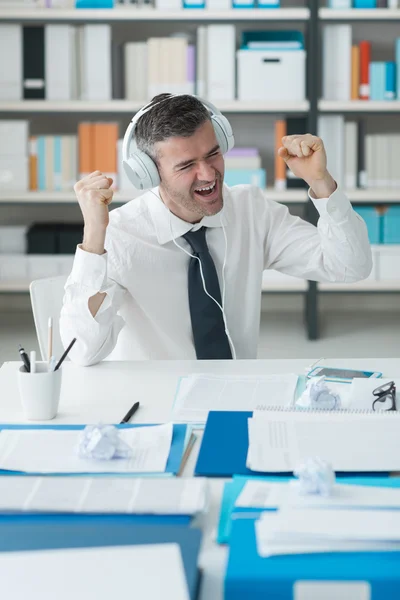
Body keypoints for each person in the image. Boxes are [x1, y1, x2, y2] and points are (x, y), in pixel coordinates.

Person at [60, 93, 372, 365]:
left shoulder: (252, 211)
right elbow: (83, 351)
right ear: (149, 174)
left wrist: (321, 184)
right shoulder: (120, 235)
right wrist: (93, 238)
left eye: (213, 154)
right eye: (186, 166)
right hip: (156, 403)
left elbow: (350, 267)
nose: (208, 174)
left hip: (235, 392)